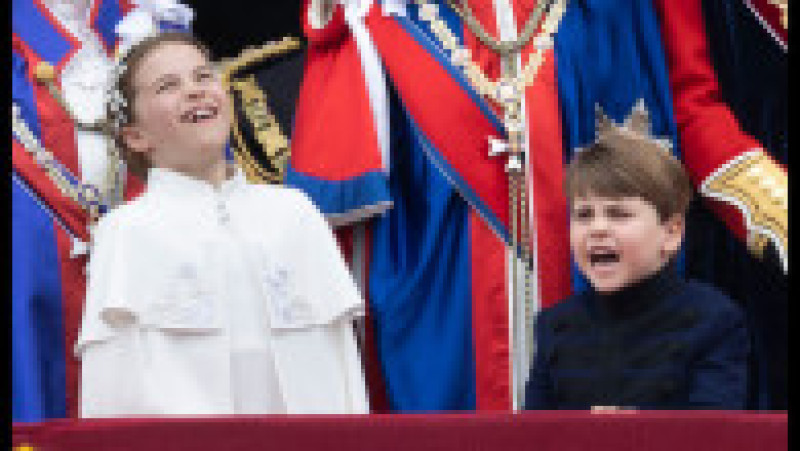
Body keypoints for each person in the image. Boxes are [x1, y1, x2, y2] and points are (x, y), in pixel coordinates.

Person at [287, 0, 785, 411]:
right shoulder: (386, 12)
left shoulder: (616, 12)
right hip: (438, 302)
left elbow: (689, 115)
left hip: (607, 303)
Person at [75, 32, 369, 417]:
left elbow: (342, 366)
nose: (195, 91)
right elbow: (109, 391)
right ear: (135, 136)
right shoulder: (126, 232)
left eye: (203, 76)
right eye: (168, 86)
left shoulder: (295, 213)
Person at [523, 105, 749, 410]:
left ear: (671, 233)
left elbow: (715, 433)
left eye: (618, 214)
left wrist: (635, 432)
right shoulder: (555, 326)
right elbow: (534, 437)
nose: (598, 229)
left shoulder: (714, 320)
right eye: (584, 215)